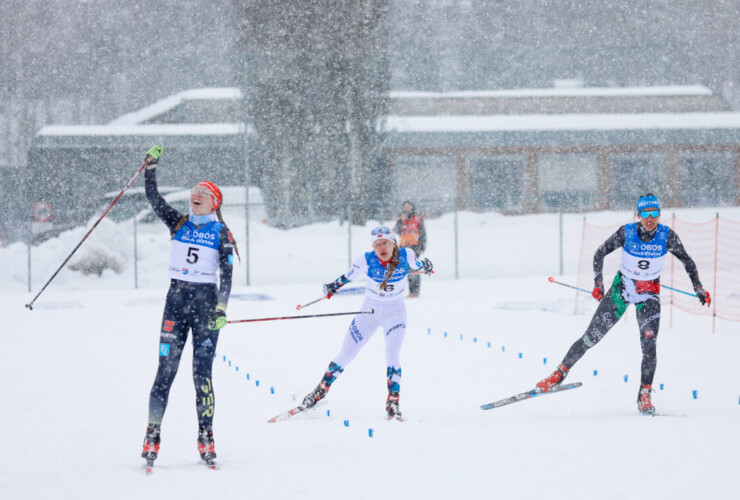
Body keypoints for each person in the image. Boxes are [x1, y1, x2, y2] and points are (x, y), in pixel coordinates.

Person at [534, 193, 711, 415]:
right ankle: (558, 374)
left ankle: (644, 394)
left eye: (654, 213)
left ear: (659, 214)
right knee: (591, 337)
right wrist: (598, 283)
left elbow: (687, 261)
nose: (650, 218)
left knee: (649, 343)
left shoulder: (667, 236)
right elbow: (600, 252)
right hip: (621, 291)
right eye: (645, 213)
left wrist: (698, 288)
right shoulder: (627, 232)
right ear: (638, 215)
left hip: (648, 296)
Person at [139, 146, 239, 467]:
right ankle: (152, 434)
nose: (195, 195)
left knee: (202, 375)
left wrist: (222, 307)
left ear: (214, 202)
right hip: (176, 304)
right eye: (193, 192)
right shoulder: (178, 222)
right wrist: (151, 167)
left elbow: (227, 275)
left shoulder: (220, 232)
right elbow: (153, 199)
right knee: (165, 371)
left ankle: (205, 435)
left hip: (206, 308)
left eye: (202, 193)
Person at [300, 226, 433, 420]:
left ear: (393, 243)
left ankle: (393, 403)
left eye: (385, 243)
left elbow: (418, 265)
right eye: (377, 244)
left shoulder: (406, 254)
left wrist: (426, 266)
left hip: (395, 312)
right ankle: (319, 391)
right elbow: (347, 277)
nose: (382, 247)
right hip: (368, 312)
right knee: (345, 354)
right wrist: (332, 288)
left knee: (392, 354)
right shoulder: (366, 259)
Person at [393, 200, 427, 298]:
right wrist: (400, 220)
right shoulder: (401, 219)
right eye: (405, 207)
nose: (406, 208)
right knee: (406, 269)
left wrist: (422, 247)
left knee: (414, 269)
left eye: (408, 206)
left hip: (414, 247)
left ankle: (415, 292)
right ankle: (409, 291)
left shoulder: (417, 219)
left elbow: (423, 233)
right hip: (404, 247)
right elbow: (396, 230)